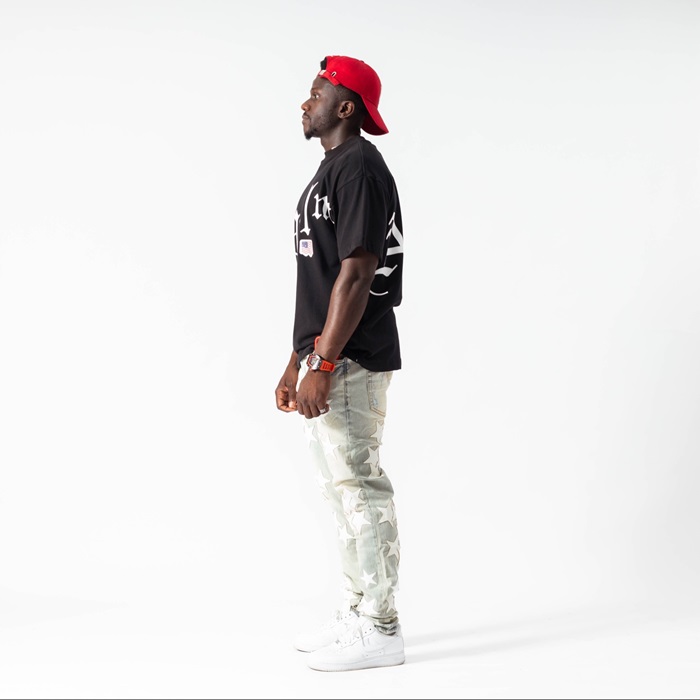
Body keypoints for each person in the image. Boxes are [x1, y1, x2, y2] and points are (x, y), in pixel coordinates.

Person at [275, 55, 405, 672]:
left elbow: (357, 274)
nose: (306, 104)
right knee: (341, 491)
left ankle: (381, 626)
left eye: (316, 93)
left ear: (345, 107)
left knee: (360, 487)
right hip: (328, 354)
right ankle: (359, 611)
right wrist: (296, 361)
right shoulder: (333, 170)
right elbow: (323, 277)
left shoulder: (358, 167)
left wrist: (323, 365)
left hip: (351, 355)